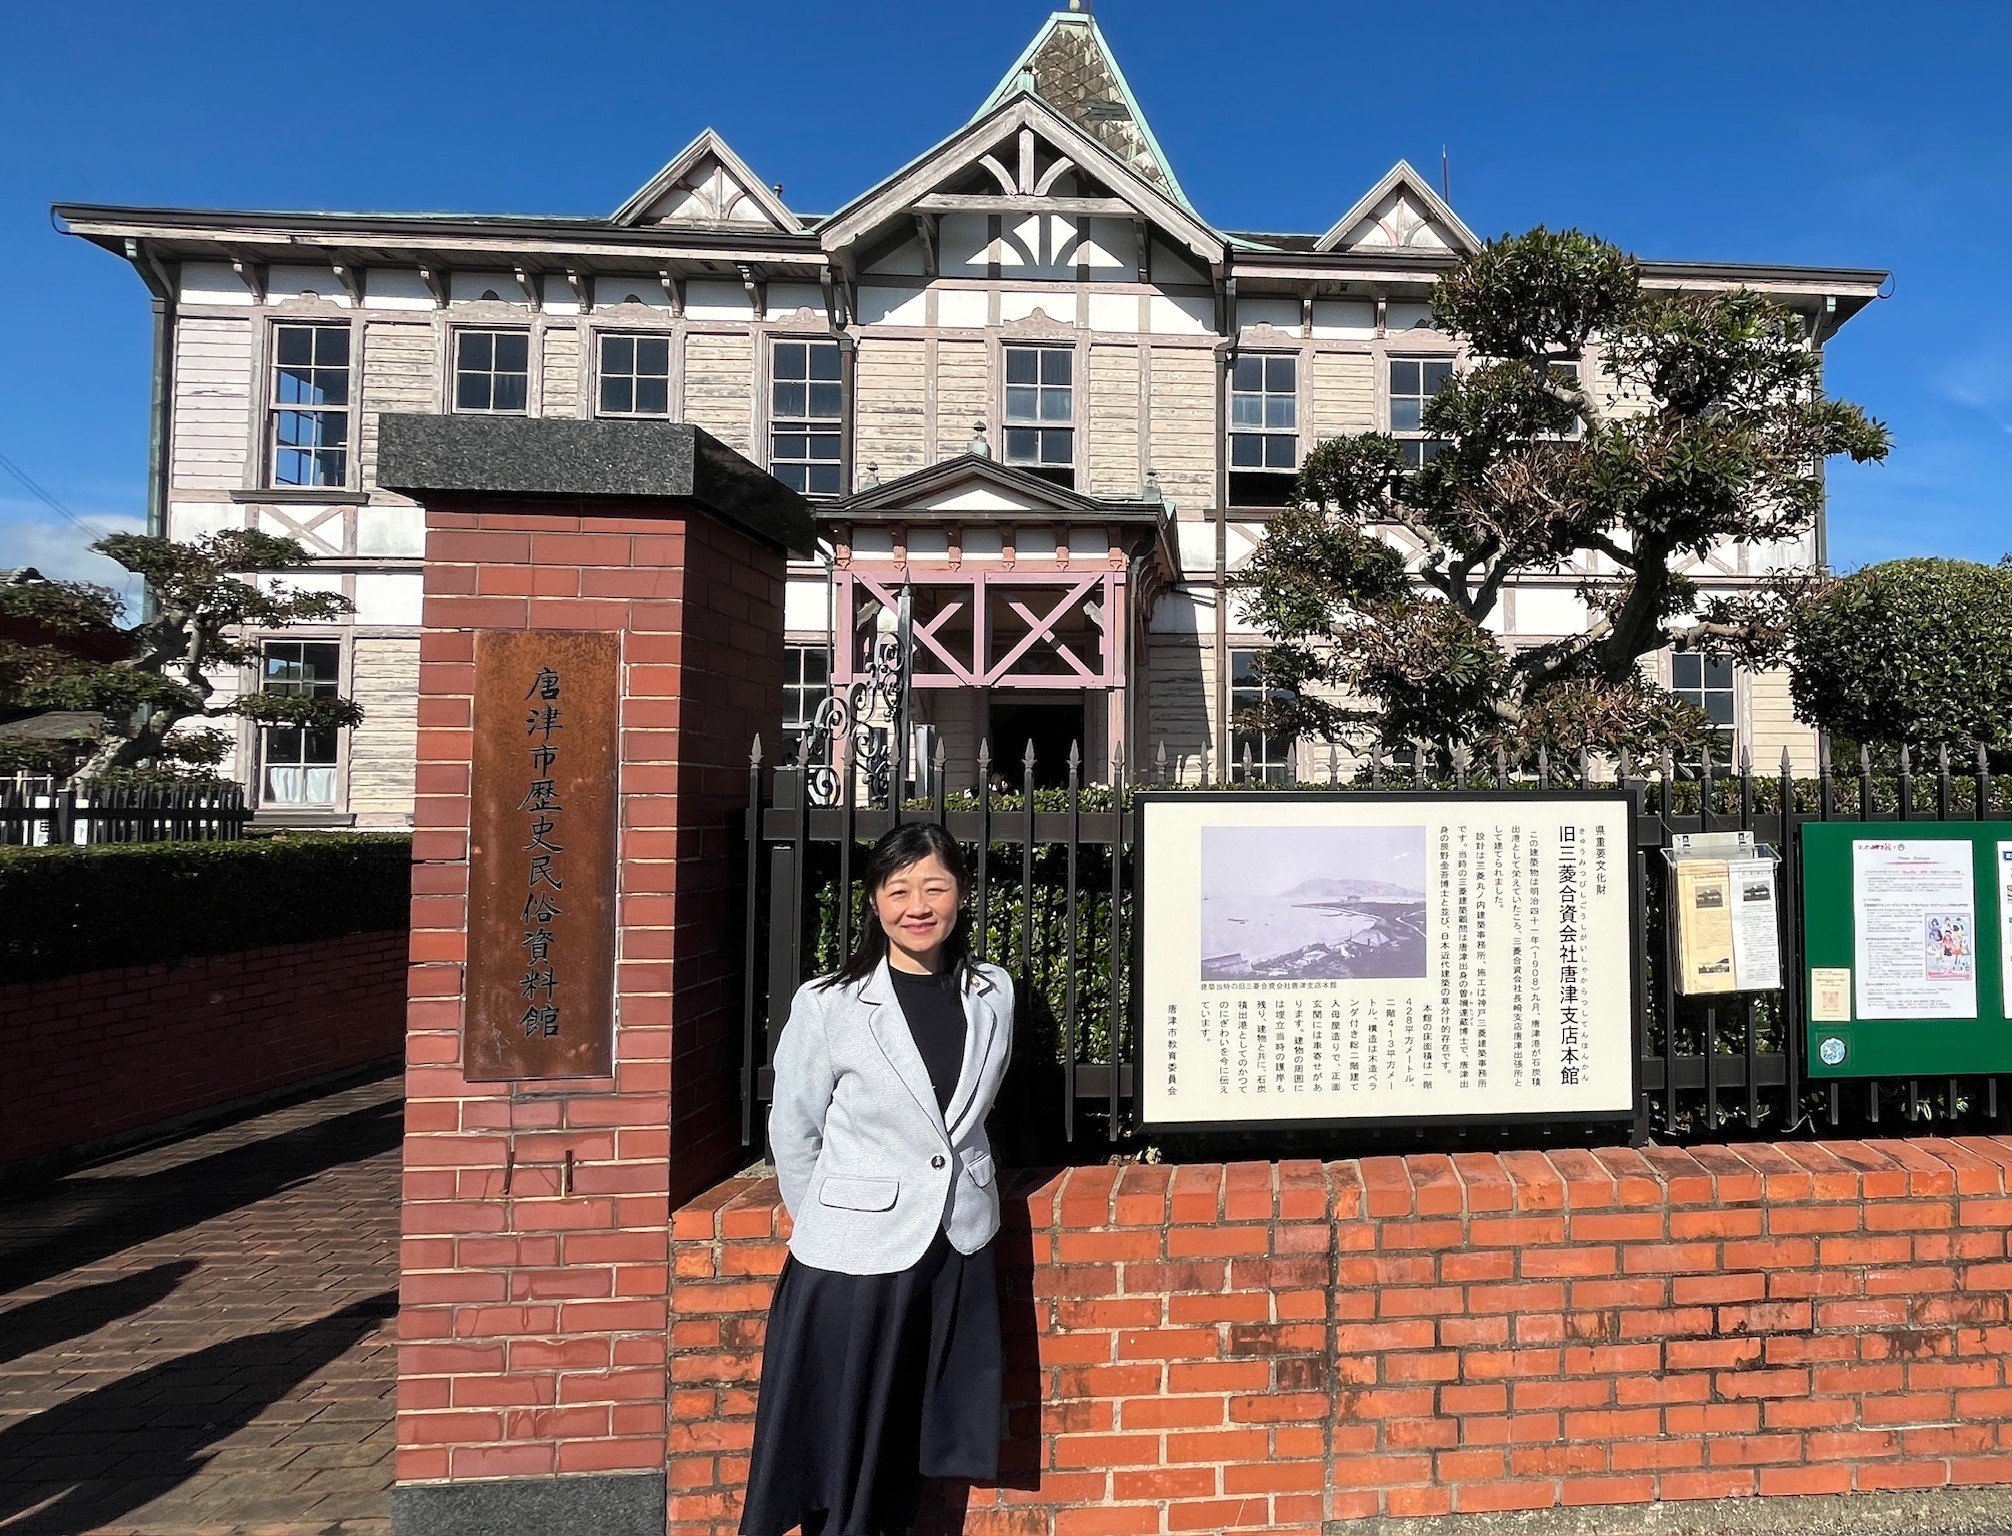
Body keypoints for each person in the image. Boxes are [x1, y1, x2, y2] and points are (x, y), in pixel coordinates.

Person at [740, 823, 1015, 1536]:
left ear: (961, 894)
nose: (916, 905)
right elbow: (793, 1131)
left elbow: (970, 1117)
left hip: (958, 1242)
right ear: (874, 901)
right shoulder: (829, 1003)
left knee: (919, 1436)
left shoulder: (993, 992)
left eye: (934, 887)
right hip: (855, 1255)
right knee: (849, 1442)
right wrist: (833, 1221)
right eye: (898, 890)